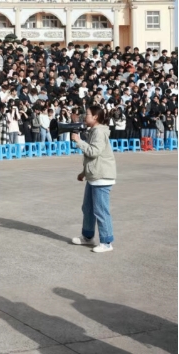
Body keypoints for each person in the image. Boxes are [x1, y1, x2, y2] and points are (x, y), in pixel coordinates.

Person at [71, 104, 117, 253]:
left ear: (95, 117)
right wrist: (84, 172)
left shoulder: (99, 131)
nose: (85, 117)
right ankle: (88, 236)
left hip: (102, 176)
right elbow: (93, 157)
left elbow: (94, 152)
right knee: (88, 208)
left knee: (101, 210)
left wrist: (78, 141)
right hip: (94, 175)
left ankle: (106, 242)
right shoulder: (94, 131)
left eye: (87, 114)